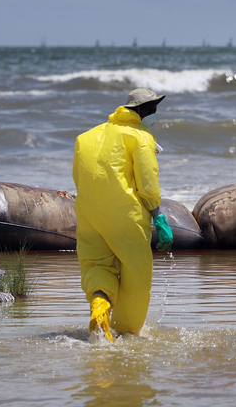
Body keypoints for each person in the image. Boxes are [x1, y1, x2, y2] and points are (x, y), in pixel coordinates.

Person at [72, 88, 174, 343]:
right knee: (137, 275)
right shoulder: (140, 137)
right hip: (126, 217)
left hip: (88, 217)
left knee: (97, 266)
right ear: (137, 111)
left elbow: (79, 177)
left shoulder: (86, 137)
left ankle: (100, 309)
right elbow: (147, 184)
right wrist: (158, 217)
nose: (154, 114)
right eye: (150, 109)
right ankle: (123, 333)